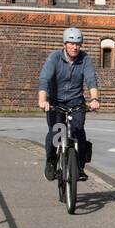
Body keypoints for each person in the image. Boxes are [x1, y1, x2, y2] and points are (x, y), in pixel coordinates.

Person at [38, 28, 100, 181]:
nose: (75, 47)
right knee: (56, 132)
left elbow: (91, 79)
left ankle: (80, 167)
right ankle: (51, 162)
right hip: (55, 102)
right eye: (71, 43)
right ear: (65, 44)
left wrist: (94, 99)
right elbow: (44, 79)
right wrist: (42, 100)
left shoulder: (84, 59)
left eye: (78, 44)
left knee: (79, 132)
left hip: (76, 102)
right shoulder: (55, 57)